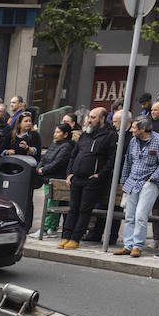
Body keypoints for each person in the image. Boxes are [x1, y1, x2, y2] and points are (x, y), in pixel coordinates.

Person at [58, 106, 116, 249]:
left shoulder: (110, 135)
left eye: (93, 117)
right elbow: (74, 154)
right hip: (77, 177)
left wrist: (99, 175)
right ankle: (66, 236)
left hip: (92, 180)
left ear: (102, 119)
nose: (89, 120)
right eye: (89, 117)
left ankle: (75, 239)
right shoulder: (86, 134)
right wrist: (70, 172)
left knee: (84, 210)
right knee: (73, 208)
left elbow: (111, 159)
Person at [114, 116, 159, 257]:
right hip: (133, 181)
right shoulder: (133, 141)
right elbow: (128, 161)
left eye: (134, 127)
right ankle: (128, 245)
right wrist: (124, 180)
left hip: (149, 182)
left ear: (143, 129)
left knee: (140, 215)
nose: (131, 130)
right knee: (129, 215)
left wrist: (152, 179)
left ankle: (137, 246)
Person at [38, 121, 75, 234]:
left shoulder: (67, 147)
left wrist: (43, 170)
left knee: (51, 205)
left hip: (56, 180)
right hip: (47, 179)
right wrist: (39, 168)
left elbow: (58, 162)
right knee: (50, 203)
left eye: (58, 132)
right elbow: (44, 159)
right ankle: (50, 227)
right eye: (55, 131)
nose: (55, 134)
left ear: (65, 134)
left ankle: (47, 228)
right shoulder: (54, 144)